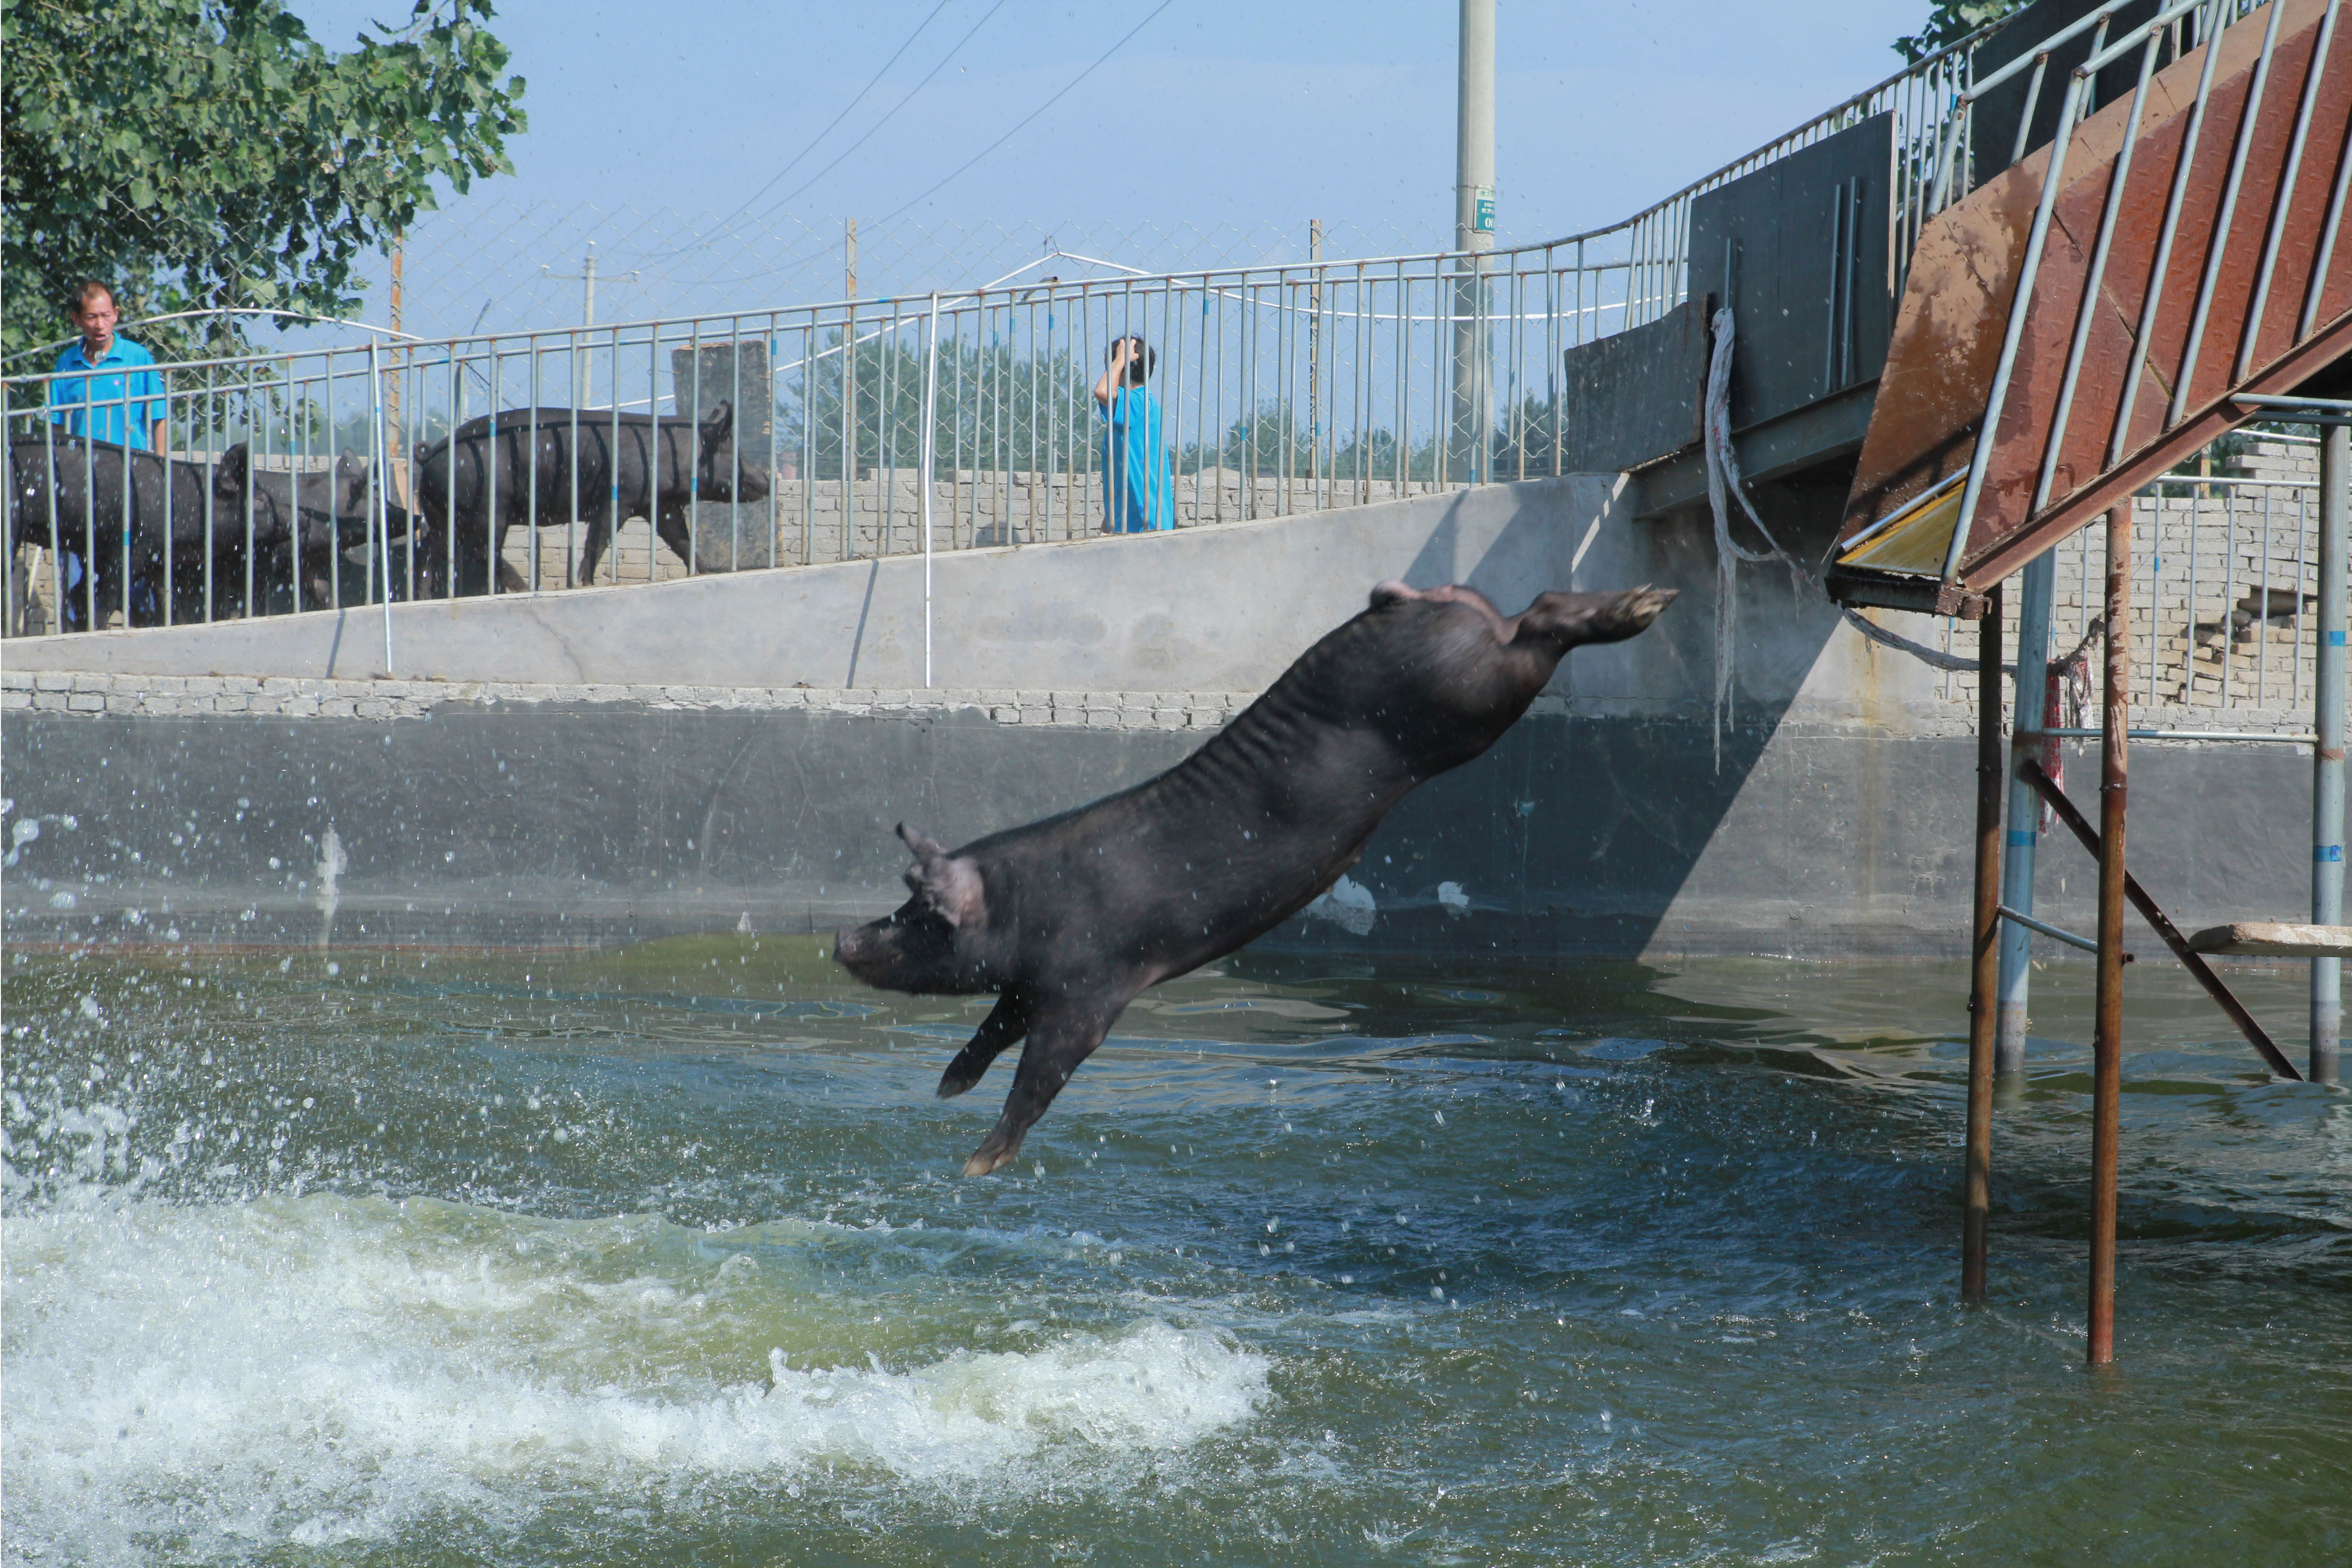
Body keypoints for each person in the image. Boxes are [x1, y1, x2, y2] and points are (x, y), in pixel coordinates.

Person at [48, 280, 170, 454]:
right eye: (91, 317)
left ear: (116, 314)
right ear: (77, 319)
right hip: (82, 467)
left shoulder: (138, 358)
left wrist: (162, 466)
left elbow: (159, 416)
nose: (100, 325)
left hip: (131, 465)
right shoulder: (66, 363)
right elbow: (56, 424)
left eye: (105, 316)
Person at [1092, 334, 1174, 533]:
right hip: (1134, 519)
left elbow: (1102, 392)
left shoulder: (1137, 402)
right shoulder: (1136, 404)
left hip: (1146, 522)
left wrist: (1119, 360)